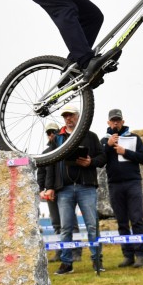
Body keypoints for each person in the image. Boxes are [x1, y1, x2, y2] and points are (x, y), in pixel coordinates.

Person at [44, 105, 107, 274]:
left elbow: (102, 158)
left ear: (78, 117)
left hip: (86, 187)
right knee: (66, 228)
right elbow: (50, 165)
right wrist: (49, 187)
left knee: (92, 225)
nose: (68, 118)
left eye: (71, 115)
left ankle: (97, 261)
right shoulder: (57, 139)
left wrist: (90, 162)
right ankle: (66, 263)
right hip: (63, 189)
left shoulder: (91, 136)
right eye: (65, 116)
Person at [101, 108, 143, 268]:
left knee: (136, 220)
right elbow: (100, 161)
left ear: (123, 121)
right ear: (108, 123)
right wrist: (108, 146)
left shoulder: (134, 137)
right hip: (114, 184)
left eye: (118, 120)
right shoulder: (103, 140)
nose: (115, 123)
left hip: (133, 183)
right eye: (113, 120)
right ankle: (128, 255)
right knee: (121, 222)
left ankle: (141, 255)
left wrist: (125, 152)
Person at [38, 122, 64, 262]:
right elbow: (41, 173)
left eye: (53, 131)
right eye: (48, 133)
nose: (51, 134)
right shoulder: (45, 153)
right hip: (50, 193)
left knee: (69, 223)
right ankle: (60, 252)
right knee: (56, 223)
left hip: (64, 190)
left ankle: (74, 252)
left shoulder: (64, 149)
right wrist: (41, 189)